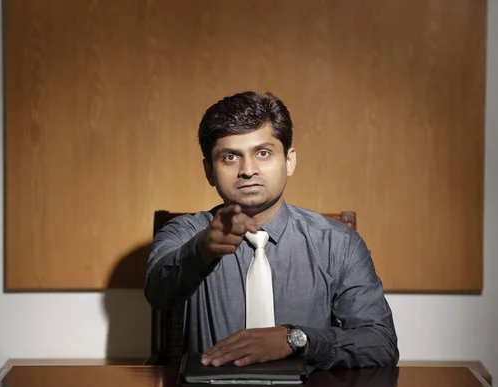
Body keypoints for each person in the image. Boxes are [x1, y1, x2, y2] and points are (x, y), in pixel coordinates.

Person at [144, 91, 399, 370]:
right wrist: (200, 251)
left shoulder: (338, 244)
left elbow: (380, 344)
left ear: (289, 161)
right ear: (209, 172)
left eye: (263, 153)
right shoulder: (185, 233)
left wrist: (296, 340)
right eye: (230, 157)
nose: (248, 170)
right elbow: (158, 292)